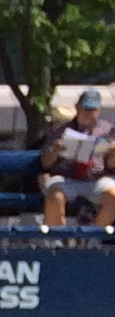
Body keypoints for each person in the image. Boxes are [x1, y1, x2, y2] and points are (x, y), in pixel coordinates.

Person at [39, 87, 115, 230]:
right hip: (66, 177)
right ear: (77, 108)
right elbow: (45, 163)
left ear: (98, 110)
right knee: (55, 195)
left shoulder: (108, 129)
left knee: (113, 196)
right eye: (85, 109)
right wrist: (55, 150)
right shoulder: (60, 129)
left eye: (93, 110)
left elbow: (111, 165)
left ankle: (93, 239)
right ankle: (57, 241)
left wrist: (113, 152)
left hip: (95, 178)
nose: (89, 113)